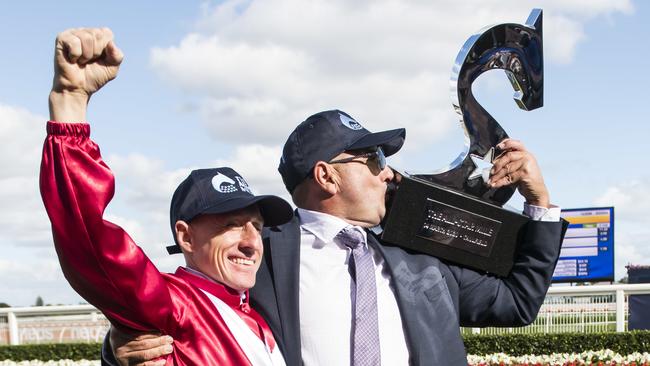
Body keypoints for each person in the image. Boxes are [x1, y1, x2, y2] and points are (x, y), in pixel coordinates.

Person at [105, 49, 567, 366]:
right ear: (326, 175)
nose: (387, 172)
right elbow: (177, 313)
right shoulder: (256, 256)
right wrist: (118, 348)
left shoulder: (420, 248)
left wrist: (539, 204)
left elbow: (517, 303)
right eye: (373, 159)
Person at [40, 27, 294, 365]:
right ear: (185, 236)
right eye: (232, 224)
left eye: (256, 225)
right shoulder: (173, 305)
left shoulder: (258, 313)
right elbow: (89, 240)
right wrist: (70, 104)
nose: (252, 241)